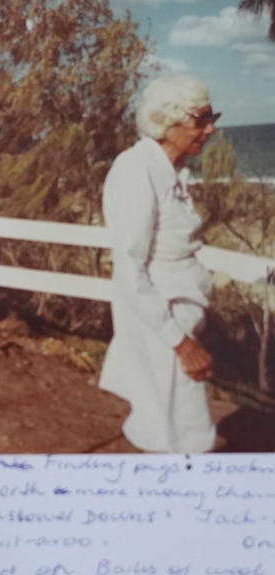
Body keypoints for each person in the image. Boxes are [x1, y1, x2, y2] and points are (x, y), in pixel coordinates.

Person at [99, 74, 220, 453]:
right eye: (201, 119)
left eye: (211, 116)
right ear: (167, 123)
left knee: (170, 431)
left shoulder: (172, 172)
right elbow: (131, 269)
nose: (211, 128)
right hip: (163, 327)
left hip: (177, 319)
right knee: (186, 436)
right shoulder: (138, 171)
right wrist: (181, 343)